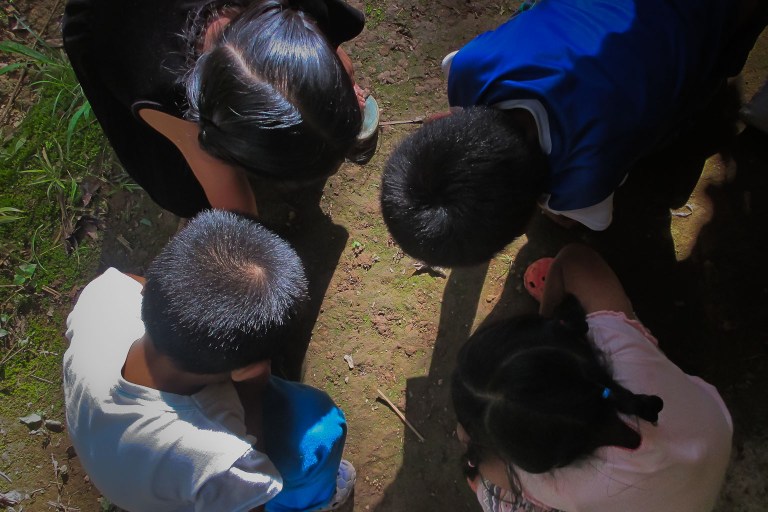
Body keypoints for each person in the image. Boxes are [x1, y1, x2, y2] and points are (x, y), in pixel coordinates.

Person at [380, 0, 768, 267]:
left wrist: (554, 210)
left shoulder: (585, 181)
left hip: (709, 20)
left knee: (706, 75)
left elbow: (589, 220)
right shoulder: (469, 66)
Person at [63, 210, 355, 512]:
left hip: (109, 456)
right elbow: (252, 504)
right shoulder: (219, 456)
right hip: (173, 489)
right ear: (243, 371)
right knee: (319, 427)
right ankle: (314, 502)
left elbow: (134, 284)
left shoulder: (107, 290)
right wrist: (252, 392)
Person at [451, 244, 733, 512]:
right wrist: (546, 325)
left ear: (537, 462)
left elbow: (493, 471)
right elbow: (575, 260)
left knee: (490, 491)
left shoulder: (554, 486)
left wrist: (471, 445)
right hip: (709, 443)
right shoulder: (614, 342)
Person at [63, 0, 377, 219]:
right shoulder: (164, 88)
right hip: (111, 19)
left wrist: (341, 83)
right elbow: (231, 200)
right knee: (188, 193)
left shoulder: (285, 9)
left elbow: (323, 26)